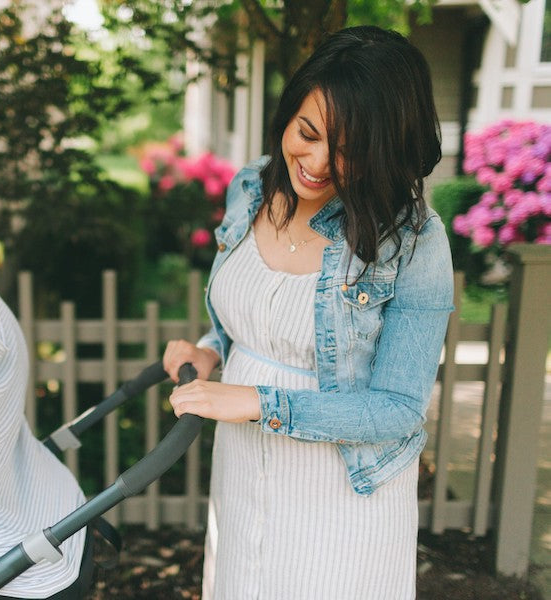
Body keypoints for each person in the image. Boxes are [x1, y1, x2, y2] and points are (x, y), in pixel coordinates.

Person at [162, 26, 454, 599]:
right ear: (288, 113)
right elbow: (261, 318)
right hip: (243, 466)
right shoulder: (251, 187)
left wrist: (257, 402)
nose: (317, 162)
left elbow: (397, 408)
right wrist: (212, 348)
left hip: (343, 486)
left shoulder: (415, 241)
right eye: (308, 132)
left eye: (348, 149)